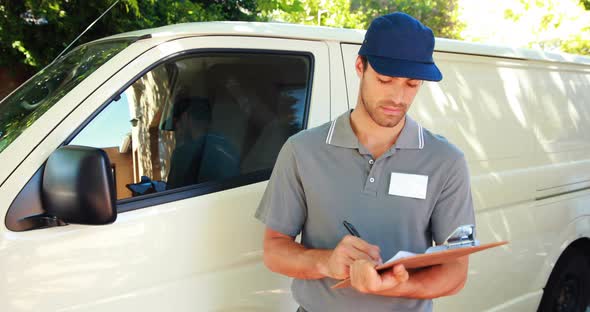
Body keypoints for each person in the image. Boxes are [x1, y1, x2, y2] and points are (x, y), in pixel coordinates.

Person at [255, 12, 475, 312]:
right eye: (385, 80)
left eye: (412, 84)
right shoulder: (302, 150)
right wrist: (328, 262)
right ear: (360, 66)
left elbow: (455, 272)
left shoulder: (446, 162)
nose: (398, 97)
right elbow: (275, 250)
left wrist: (392, 285)